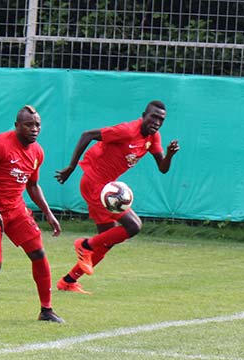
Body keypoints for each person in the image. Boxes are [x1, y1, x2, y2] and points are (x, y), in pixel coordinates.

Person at [54, 100, 180, 294]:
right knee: (133, 226)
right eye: (153, 117)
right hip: (94, 183)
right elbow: (87, 135)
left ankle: (68, 281)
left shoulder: (153, 137)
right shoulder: (127, 130)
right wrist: (71, 167)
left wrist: (169, 155)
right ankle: (84, 244)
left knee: (107, 241)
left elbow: (163, 168)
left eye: (161, 119)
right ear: (144, 115)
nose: (156, 122)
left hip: (106, 187)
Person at [0, 105, 64, 323]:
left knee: (38, 253)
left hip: (16, 209)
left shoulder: (37, 152)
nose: (34, 129)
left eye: (37, 124)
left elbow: (33, 185)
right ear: (17, 126)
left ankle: (46, 310)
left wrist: (48, 213)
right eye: (29, 125)